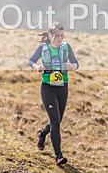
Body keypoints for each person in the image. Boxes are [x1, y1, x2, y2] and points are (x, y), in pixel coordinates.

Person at [27, 22, 79, 165]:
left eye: (62, 36)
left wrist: (72, 66)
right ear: (50, 35)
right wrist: (37, 67)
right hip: (48, 88)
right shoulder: (43, 48)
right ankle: (58, 155)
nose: (60, 38)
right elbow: (30, 61)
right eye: (57, 35)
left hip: (63, 88)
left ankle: (42, 133)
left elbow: (76, 63)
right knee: (56, 122)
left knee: (56, 121)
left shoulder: (66, 47)